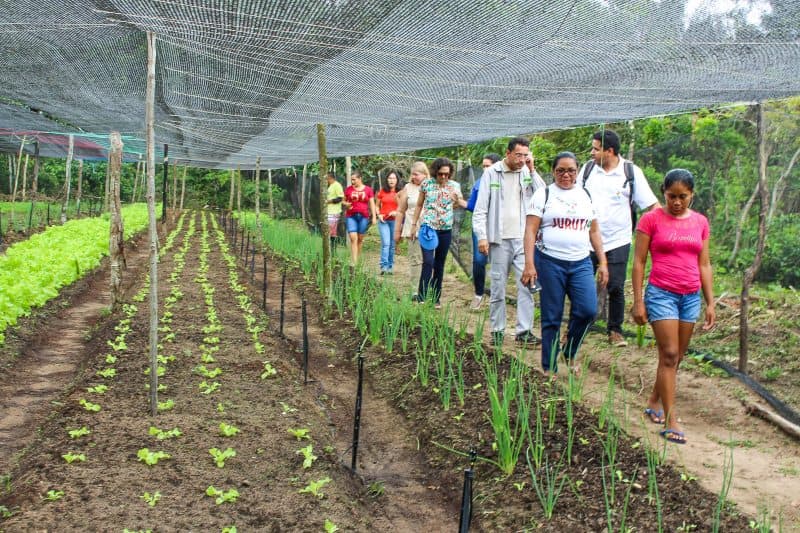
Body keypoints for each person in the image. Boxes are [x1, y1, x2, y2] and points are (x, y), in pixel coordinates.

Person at [631, 169, 715, 445]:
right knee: (668, 354)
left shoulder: (700, 222)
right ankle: (671, 419)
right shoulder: (650, 220)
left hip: (690, 296)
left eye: (683, 197)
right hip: (661, 294)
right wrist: (639, 301)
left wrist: (710, 301)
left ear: (691, 195)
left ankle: (654, 401)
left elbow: (704, 264)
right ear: (663, 193)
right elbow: (640, 262)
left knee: (677, 356)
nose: (677, 202)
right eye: (671, 196)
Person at [522, 152, 608, 375]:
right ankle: (548, 369)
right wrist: (529, 264)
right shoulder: (545, 194)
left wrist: (603, 262)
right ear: (553, 171)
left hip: (580, 262)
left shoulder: (586, 196)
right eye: (561, 170)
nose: (566, 175)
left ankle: (569, 351)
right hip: (550, 261)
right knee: (552, 315)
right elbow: (530, 231)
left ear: (577, 172)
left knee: (588, 310)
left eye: (571, 170)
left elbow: (595, 231)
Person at [579, 129, 659, 347]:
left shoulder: (630, 172)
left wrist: (666, 228)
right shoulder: (587, 171)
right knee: (583, 285)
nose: (592, 153)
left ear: (610, 151)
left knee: (615, 286)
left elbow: (652, 205)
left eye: (596, 149)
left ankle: (615, 330)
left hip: (618, 240)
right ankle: (577, 329)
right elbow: (573, 197)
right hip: (586, 240)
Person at [473, 137, 546, 345]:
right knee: (498, 287)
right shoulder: (492, 173)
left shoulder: (526, 172)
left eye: (525, 155)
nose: (522, 159)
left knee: (526, 286)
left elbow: (541, 193)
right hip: (499, 241)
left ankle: (524, 332)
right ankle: (497, 330)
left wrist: (532, 169)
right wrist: (482, 236)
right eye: (519, 155)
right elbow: (480, 209)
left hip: (523, 240)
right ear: (508, 153)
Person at [410, 157, 466, 308]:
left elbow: (458, 205)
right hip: (428, 227)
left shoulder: (454, 186)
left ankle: (436, 297)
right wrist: (414, 224)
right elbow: (419, 205)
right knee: (428, 261)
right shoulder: (426, 184)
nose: (443, 177)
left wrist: (456, 201)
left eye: (447, 174)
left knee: (439, 264)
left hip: (445, 229)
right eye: (441, 174)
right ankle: (422, 295)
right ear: (435, 172)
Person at [466, 153, 501, 310]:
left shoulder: (504, 181)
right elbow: (472, 206)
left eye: (488, 166)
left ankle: (497, 296)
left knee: (498, 262)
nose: (485, 169)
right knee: (479, 261)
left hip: (500, 227)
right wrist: (460, 202)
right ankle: (478, 294)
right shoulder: (479, 183)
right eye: (484, 166)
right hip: (481, 227)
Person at [394, 161, 428, 299]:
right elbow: (401, 211)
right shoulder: (408, 188)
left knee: (429, 260)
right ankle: (415, 290)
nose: (414, 177)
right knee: (415, 259)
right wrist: (397, 231)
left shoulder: (432, 186)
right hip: (412, 229)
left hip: (429, 229)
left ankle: (427, 288)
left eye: (417, 174)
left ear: (425, 174)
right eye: (412, 174)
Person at [343, 170, 377, 266]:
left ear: (360, 179)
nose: (352, 182)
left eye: (354, 180)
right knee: (353, 238)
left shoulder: (368, 190)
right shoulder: (348, 189)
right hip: (351, 216)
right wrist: (346, 204)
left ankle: (357, 257)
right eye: (351, 180)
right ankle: (354, 262)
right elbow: (343, 201)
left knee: (360, 239)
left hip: (363, 217)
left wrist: (374, 217)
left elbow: (372, 204)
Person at [376, 170, 403, 274]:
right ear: (386, 180)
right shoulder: (382, 191)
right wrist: (378, 214)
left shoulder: (401, 192)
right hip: (384, 221)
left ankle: (390, 266)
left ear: (397, 180)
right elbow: (377, 205)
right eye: (390, 178)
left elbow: (404, 207)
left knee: (392, 245)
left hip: (395, 221)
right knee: (386, 243)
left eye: (394, 178)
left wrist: (396, 212)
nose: (391, 180)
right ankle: (384, 266)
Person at [325, 172, 344, 251]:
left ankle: (333, 250)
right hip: (329, 211)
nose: (326, 180)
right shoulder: (331, 186)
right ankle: (330, 249)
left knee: (332, 232)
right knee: (330, 231)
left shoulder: (337, 185)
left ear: (330, 177)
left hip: (334, 212)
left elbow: (340, 198)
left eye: (326, 178)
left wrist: (329, 201)